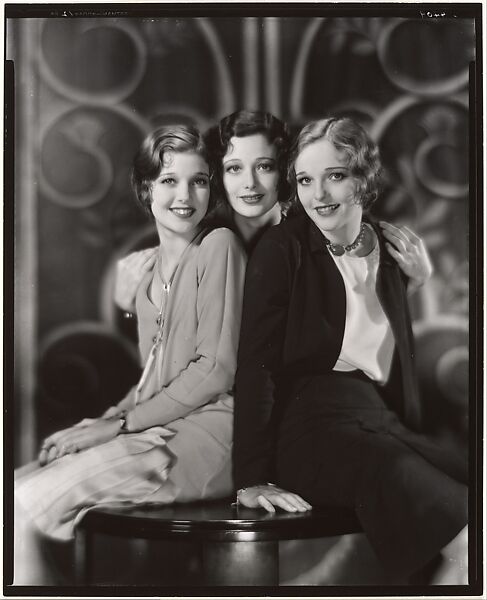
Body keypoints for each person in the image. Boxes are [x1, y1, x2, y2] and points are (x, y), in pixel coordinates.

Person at [233, 117, 468, 584]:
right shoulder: (283, 249)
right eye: (304, 180)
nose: (318, 195)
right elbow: (256, 366)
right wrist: (250, 478)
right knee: (467, 542)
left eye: (335, 176)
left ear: (363, 180)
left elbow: (380, 333)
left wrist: (414, 280)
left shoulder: (391, 247)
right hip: (309, 430)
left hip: (376, 422)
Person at [14, 124, 247, 584]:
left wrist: (116, 426)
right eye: (168, 180)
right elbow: (156, 383)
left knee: (19, 507)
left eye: (198, 180)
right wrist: (98, 423)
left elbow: (215, 370)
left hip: (210, 437)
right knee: (13, 491)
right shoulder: (146, 278)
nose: (185, 195)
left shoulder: (218, 246)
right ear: (146, 188)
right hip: (157, 428)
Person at [114, 110, 290, 312]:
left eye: (264, 167)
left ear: (282, 170)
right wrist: (130, 305)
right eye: (234, 168)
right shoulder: (200, 234)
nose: (250, 183)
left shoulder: (303, 236)